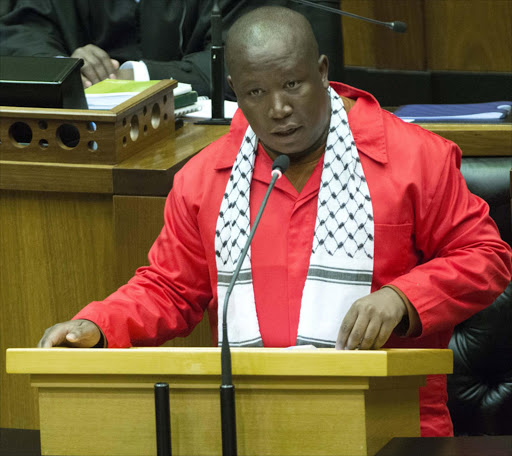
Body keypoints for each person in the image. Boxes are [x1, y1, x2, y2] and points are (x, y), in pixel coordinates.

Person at [38, 6, 511, 438]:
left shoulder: (413, 159)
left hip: (392, 425)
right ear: (235, 94)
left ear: (323, 72)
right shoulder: (206, 178)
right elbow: (170, 288)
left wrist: (403, 297)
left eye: (292, 84)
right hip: (250, 424)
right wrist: (98, 325)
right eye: (256, 93)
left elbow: (486, 257)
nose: (278, 109)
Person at [0, 0, 344, 95]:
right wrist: (62, 68)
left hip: (198, 140)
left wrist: (132, 75)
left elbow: (251, 56)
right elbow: (23, 26)